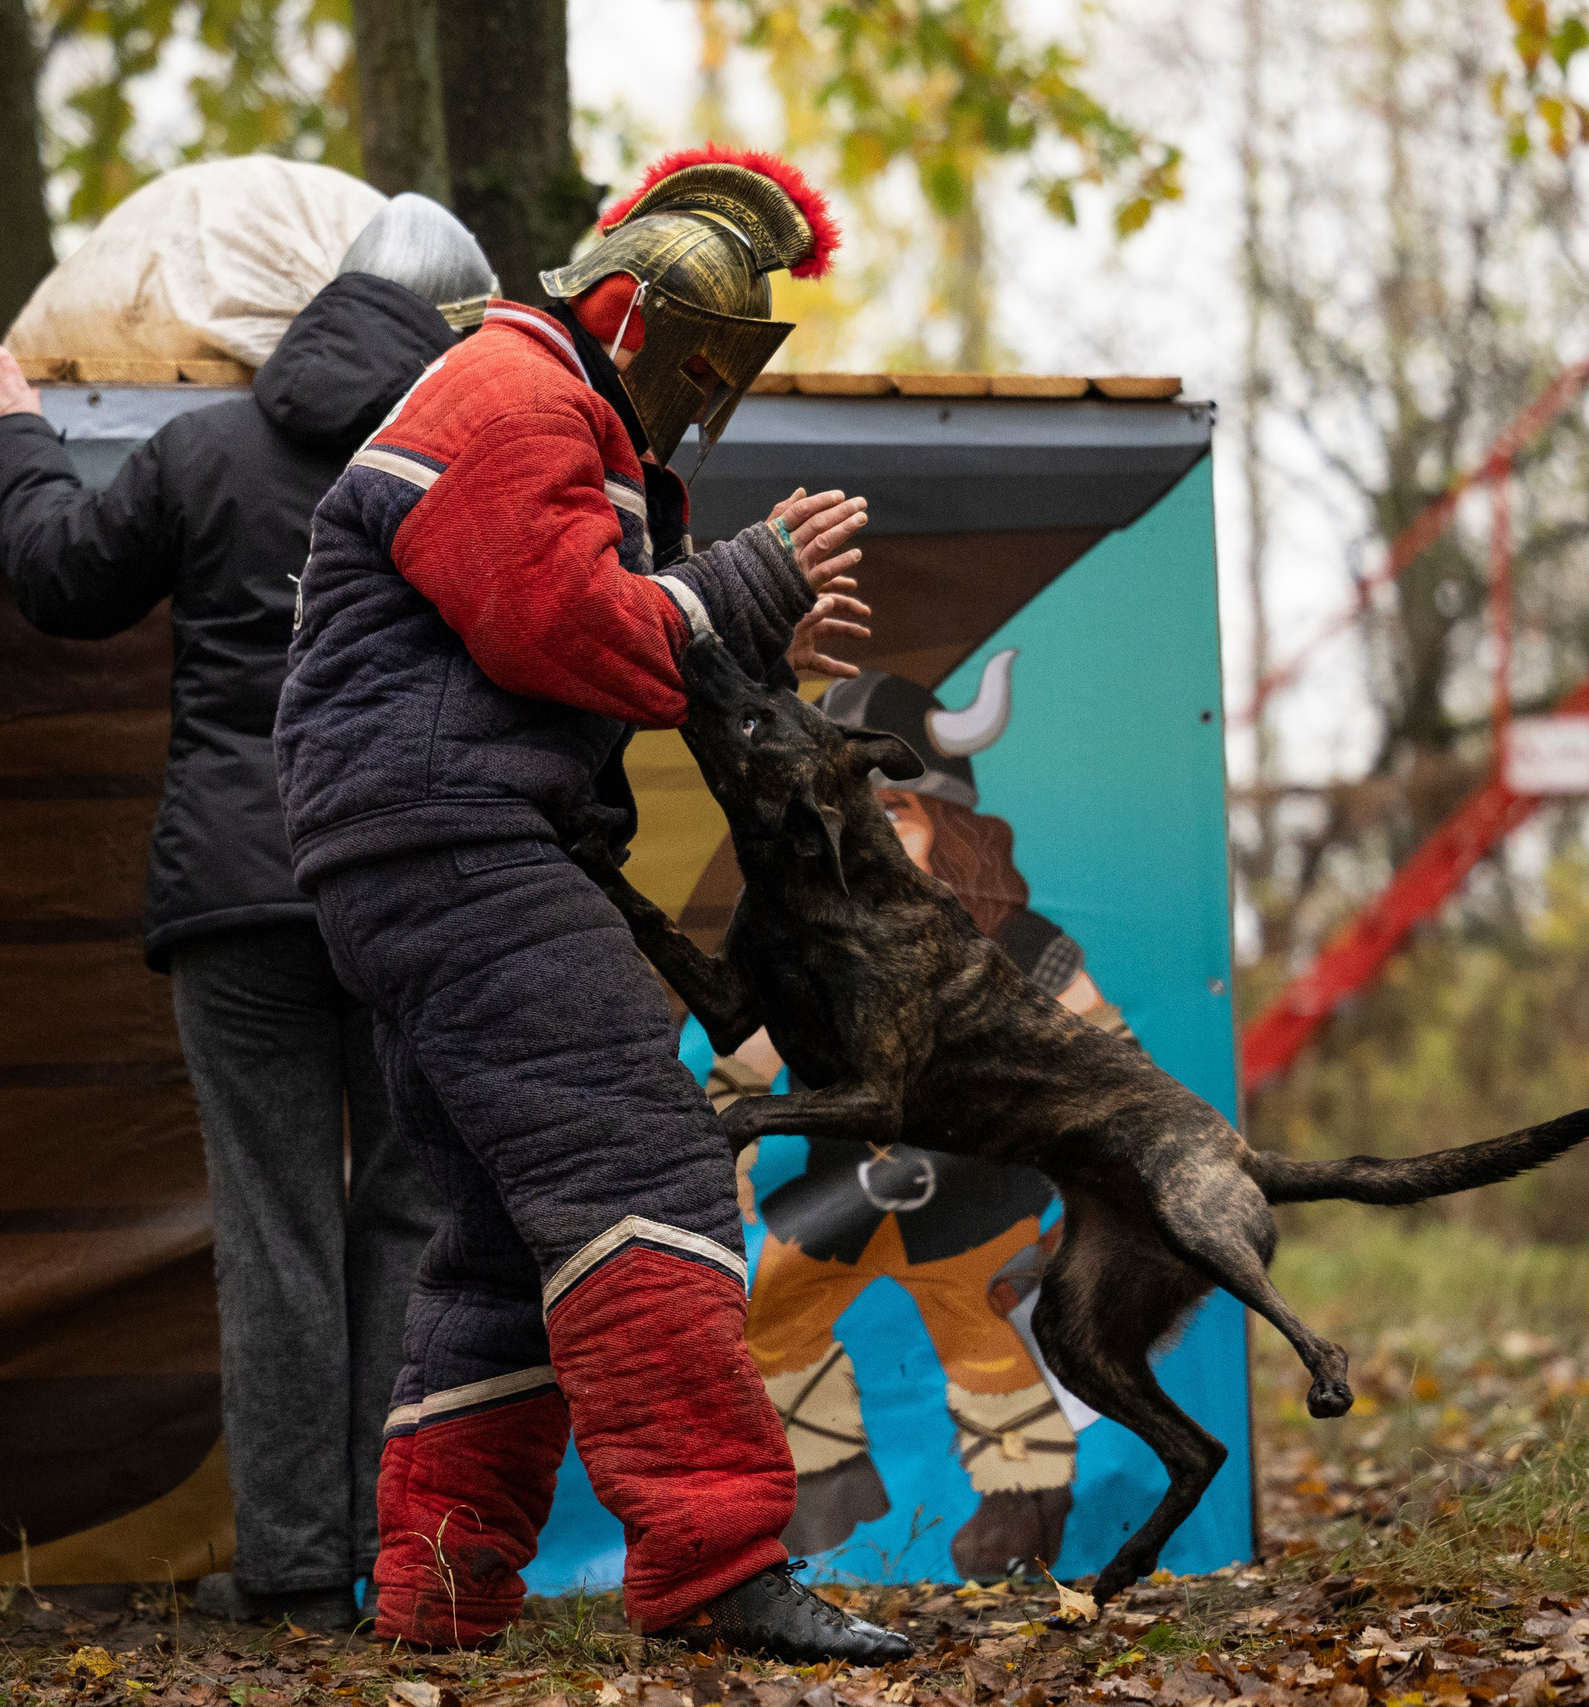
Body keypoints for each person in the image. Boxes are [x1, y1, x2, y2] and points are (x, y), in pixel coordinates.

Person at [271, 145, 906, 1662]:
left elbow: (625, 634)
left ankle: (435, 1598)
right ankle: (717, 1566)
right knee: (646, 1163)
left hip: (420, 849)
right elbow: (561, 623)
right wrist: (749, 575)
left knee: (500, 1238)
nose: (708, 391)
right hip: (456, 847)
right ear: (632, 320)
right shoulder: (512, 393)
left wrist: (764, 625)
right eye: (701, 356)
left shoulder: (545, 405)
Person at [0, 193, 500, 1631]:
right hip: (406, 886)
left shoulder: (206, 448)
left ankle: (296, 1563)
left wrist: (15, 431)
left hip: (240, 892)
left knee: (275, 1230)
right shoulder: (466, 467)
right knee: (409, 1215)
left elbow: (63, 579)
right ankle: (394, 1557)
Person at [713, 656, 1142, 1584]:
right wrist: (724, 1159)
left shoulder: (1021, 947)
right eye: (843, 810)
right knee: (761, 1323)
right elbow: (740, 1065)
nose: (862, 832)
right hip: (834, 1200)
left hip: (975, 1211)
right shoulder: (802, 935)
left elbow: (1111, 1065)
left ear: (947, 823)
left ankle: (1025, 1503)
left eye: (892, 811)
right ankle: (826, 1482)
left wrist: (1096, 1191)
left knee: (991, 1355)